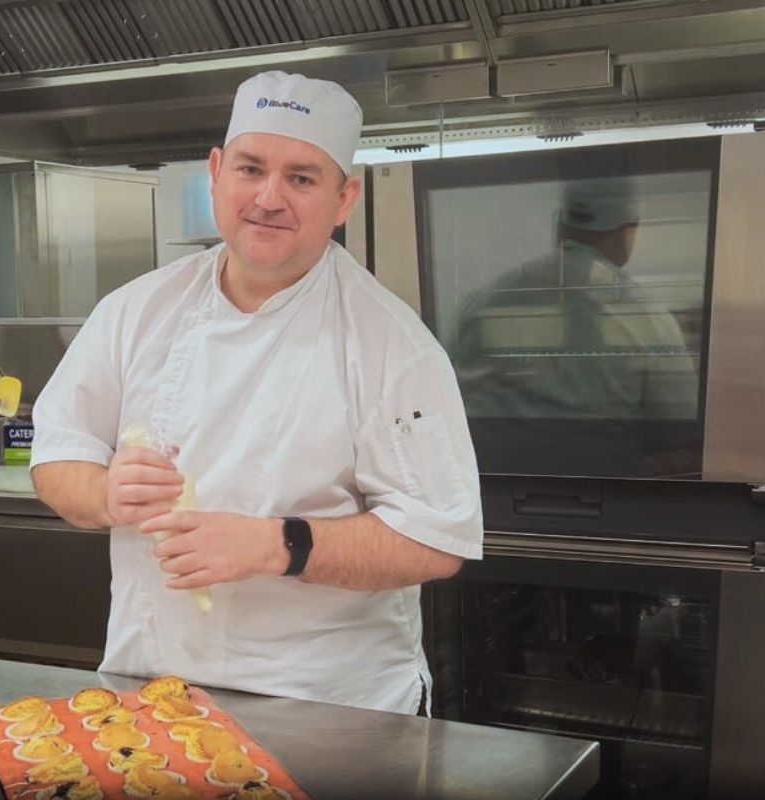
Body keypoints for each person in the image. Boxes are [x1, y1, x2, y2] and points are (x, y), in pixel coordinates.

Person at [30, 71, 483, 714]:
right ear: (216, 173)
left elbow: (436, 541)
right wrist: (104, 493)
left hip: (329, 710)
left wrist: (278, 546)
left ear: (344, 199)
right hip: (153, 695)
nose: (269, 198)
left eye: (301, 178)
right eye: (250, 169)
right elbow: (56, 456)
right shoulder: (136, 310)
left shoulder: (390, 343)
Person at [451, 177, 699, 476]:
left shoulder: (484, 302)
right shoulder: (647, 316)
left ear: (559, 226)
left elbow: (451, 402)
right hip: (608, 490)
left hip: (492, 488)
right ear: (627, 232)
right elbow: (677, 431)